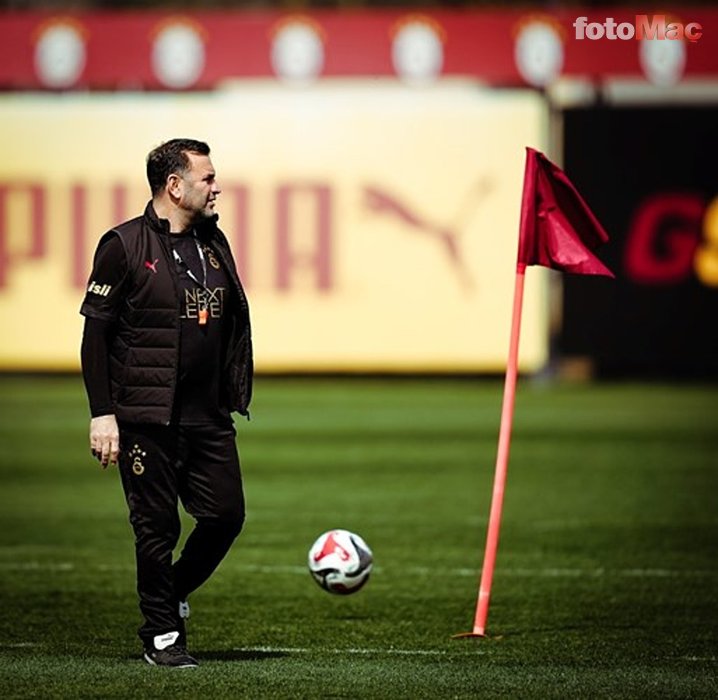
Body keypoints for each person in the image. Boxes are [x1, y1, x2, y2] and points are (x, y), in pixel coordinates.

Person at [80, 138, 253, 668]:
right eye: (207, 178)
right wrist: (103, 413)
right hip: (146, 417)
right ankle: (161, 634)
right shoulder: (123, 245)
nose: (217, 187)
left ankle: (171, 591)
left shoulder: (213, 242)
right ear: (174, 186)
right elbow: (94, 336)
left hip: (208, 416)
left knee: (226, 516)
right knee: (156, 529)